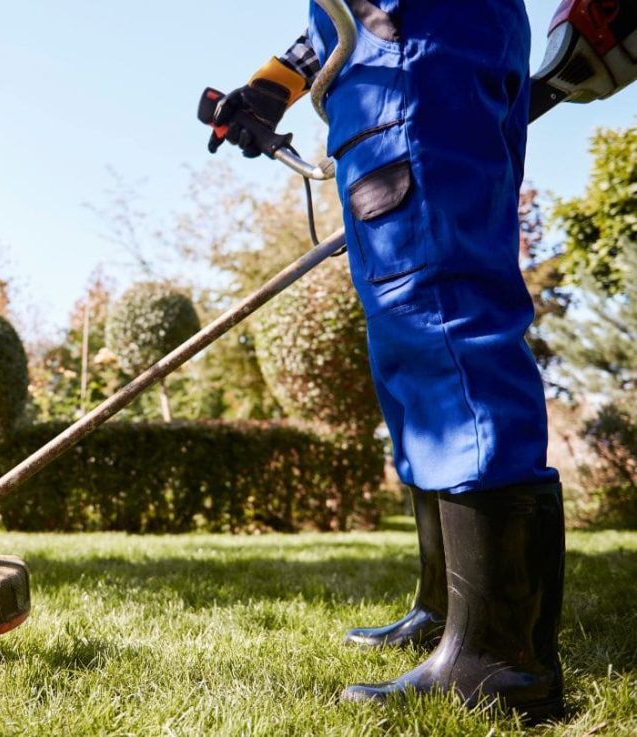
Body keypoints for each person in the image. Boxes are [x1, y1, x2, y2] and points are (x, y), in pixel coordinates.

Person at [209, 0, 565, 721]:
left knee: (438, 311)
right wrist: (274, 83)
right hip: (393, 55)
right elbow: (334, 20)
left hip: (416, 48)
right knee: (409, 340)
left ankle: (499, 655)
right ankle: (447, 612)